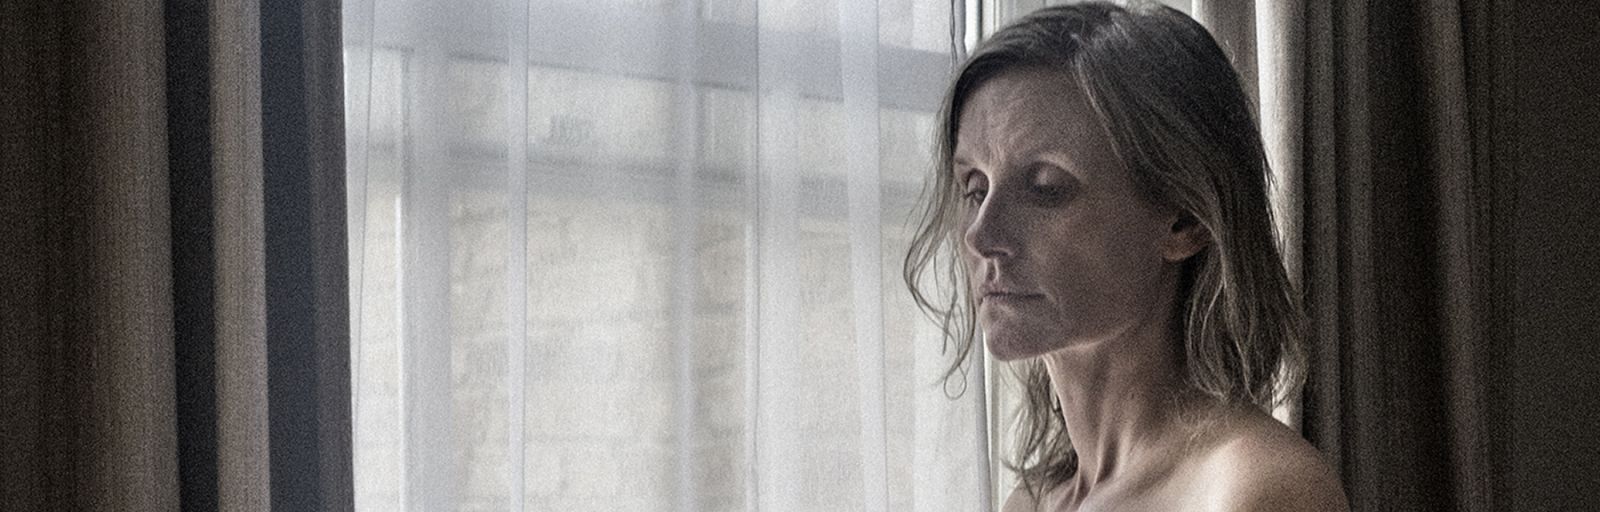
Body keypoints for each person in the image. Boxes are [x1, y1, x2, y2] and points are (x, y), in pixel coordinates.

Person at [904, 3, 1349, 510]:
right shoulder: (1030, 503)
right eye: (974, 188)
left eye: (1046, 187)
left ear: (1185, 220)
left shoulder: (1255, 490)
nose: (981, 235)